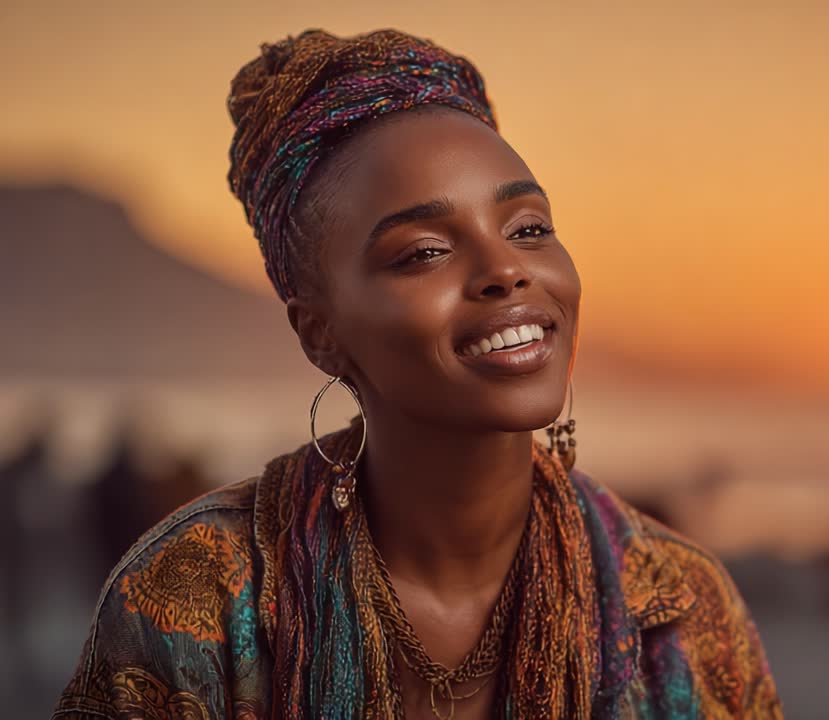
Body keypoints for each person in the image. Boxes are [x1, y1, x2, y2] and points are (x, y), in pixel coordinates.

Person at [53, 28, 781, 720]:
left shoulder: (680, 609)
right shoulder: (192, 603)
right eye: (425, 251)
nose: (505, 270)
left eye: (529, 229)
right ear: (321, 334)